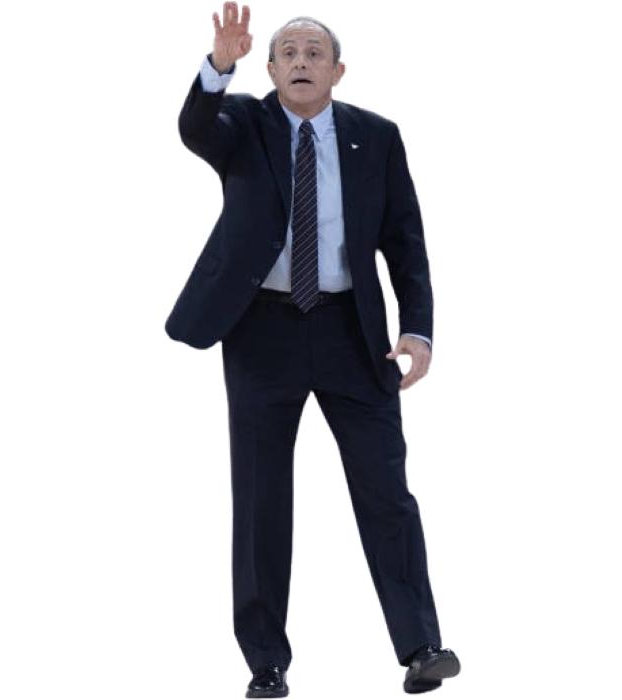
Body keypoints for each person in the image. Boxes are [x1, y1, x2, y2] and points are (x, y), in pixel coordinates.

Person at [164, 3, 461, 696]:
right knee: (261, 498)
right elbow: (195, 129)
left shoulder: (377, 135)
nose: (301, 62)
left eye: (314, 53)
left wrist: (418, 329)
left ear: (338, 71)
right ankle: (265, 662)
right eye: (288, 53)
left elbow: (406, 241)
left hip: (352, 332)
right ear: (269, 72)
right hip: (260, 331)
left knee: (387, 490)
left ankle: (421, 647)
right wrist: (219, 66)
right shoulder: (244, 123)